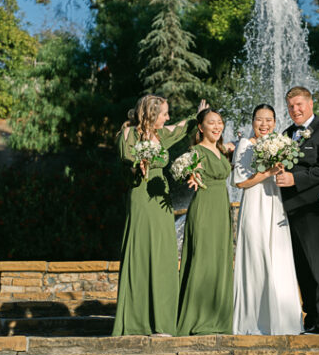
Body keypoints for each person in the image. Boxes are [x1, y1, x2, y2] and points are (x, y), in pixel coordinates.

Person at [113, 95, 205, 337]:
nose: (167, 117)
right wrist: (138, 165)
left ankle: (162, 322)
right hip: (141, 197)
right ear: (151, 114)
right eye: (164, 113)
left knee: (164, 254)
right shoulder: (129, 134)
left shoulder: (162, 135)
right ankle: (136, 321)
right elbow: (127, 163)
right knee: (141, 252)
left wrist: (199, 115)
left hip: (161, 199)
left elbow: (183, 127)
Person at [232, 104, 303, 335]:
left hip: (276, 204)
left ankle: (284, 321)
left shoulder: (281, 144)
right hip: (255, 205)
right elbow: (240, 182)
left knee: (279, 258)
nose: (264, 125)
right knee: (257, 258)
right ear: (253, 122)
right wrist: (268, 173)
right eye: (259, 120)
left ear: (275, 121)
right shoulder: (245, 145)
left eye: (269, 120)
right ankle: (254, 321)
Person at [276, 87, 319, 334]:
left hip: (318, 209)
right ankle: (311, 318)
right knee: (303, 270)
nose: (295, 110)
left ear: (311, 104)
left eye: (300, 104)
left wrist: (295, 179)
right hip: (293, 211)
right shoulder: (286, 134)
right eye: (291, 106)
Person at [177, 109, 234, 336]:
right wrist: (190, 174)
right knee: (202, 260)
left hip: (221, 210)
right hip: (204, 209)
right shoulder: (196, 151)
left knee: (220, 261)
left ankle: (218, 318)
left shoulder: (222, 150)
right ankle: (197, 318)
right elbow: (186, 171)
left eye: (220, 122)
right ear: (201, 127)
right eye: (212, 123)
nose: (217, 127)